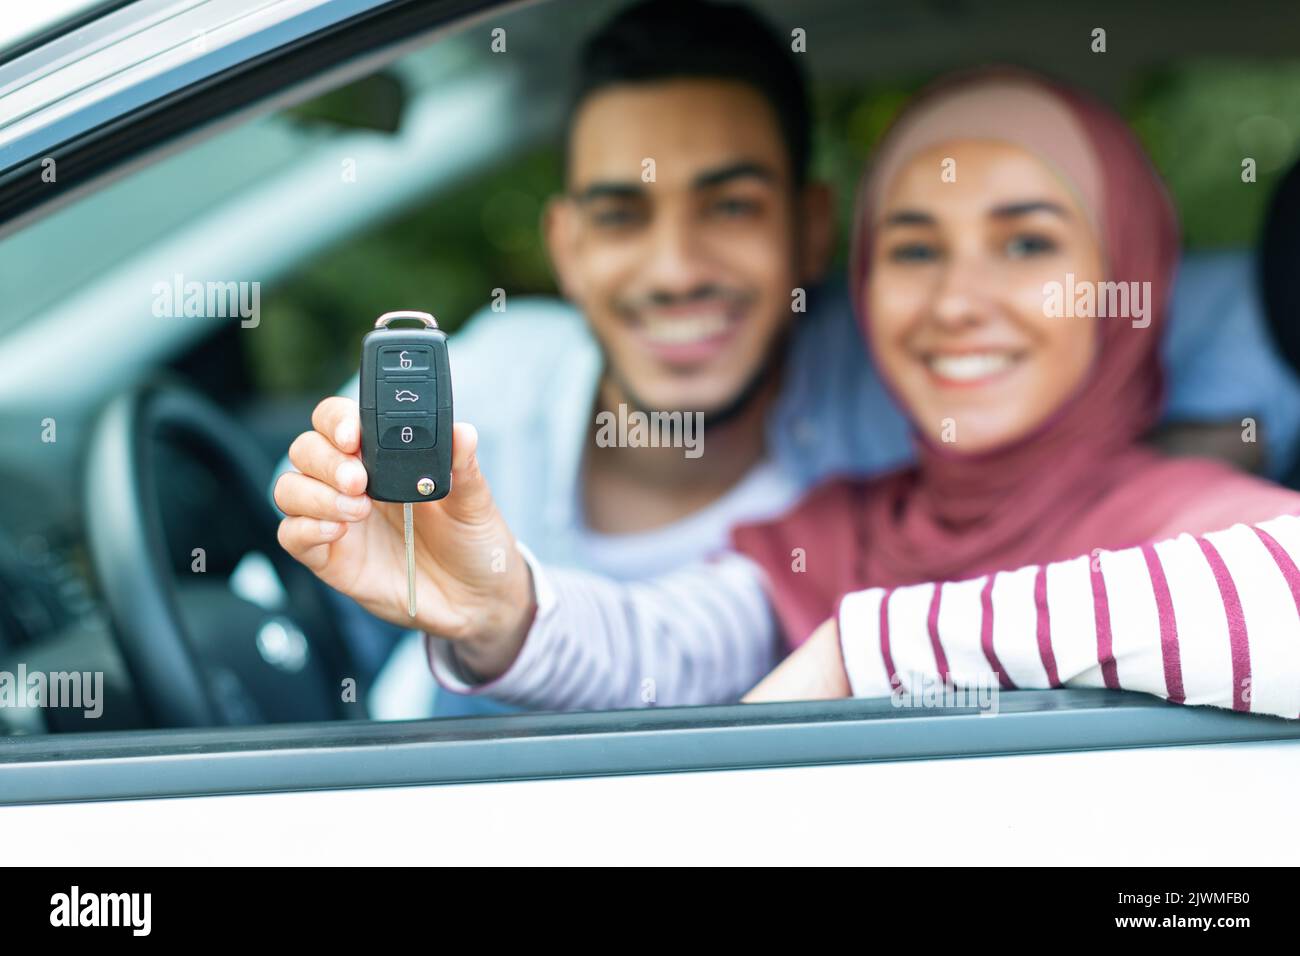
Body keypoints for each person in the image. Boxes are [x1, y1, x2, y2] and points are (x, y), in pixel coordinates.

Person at [276, 3, 1300, 715]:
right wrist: (503, 609)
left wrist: (871, 647)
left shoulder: (1188, 513)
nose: (955, 300)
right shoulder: (853, 523)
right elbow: (666, 647)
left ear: (1124, 279)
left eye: (1027, 241)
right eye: (912, 247)